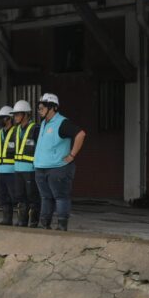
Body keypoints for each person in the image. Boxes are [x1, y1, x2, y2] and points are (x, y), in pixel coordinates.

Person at [33, 93, 87, 231]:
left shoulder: (62, 123)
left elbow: (80, 134)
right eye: (39, 107)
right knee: (45, 197)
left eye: (43, 107)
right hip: (41, 168)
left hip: (58, 168)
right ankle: (45, 225)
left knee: (60, 197)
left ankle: (62, 227)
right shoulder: (43, 124)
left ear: (53, 108)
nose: (40, 110)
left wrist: (72, 155)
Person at [11, 99, 39, 227]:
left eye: (18, 114)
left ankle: (33, 222)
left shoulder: (35, 129)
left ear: (26, 114)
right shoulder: (16, 130)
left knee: (32, 197)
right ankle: (22, 221)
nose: (15, 117)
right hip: (18, 169)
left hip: (30, 170)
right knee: (20, 197)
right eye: (15, 114)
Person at [0, 105, 18, 225]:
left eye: (2, 118)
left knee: (15, 197)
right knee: (3, 197)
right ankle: (6, 220)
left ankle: (20, 221)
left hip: (11, 171)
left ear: (9, 118)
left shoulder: (16, 132)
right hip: (0, 170)